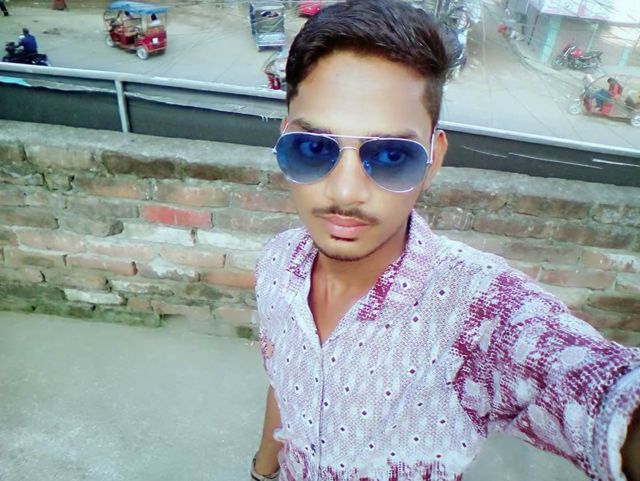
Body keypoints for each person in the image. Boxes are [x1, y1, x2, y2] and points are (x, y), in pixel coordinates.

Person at [251, 1, 640, 480]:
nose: (345, 192)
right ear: (283, 139)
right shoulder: (276, 265)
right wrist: (262, 471)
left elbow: (591, 384)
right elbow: (284, 384)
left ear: (433, 159)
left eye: (392, 156)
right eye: (313, 148)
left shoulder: (476, 313)